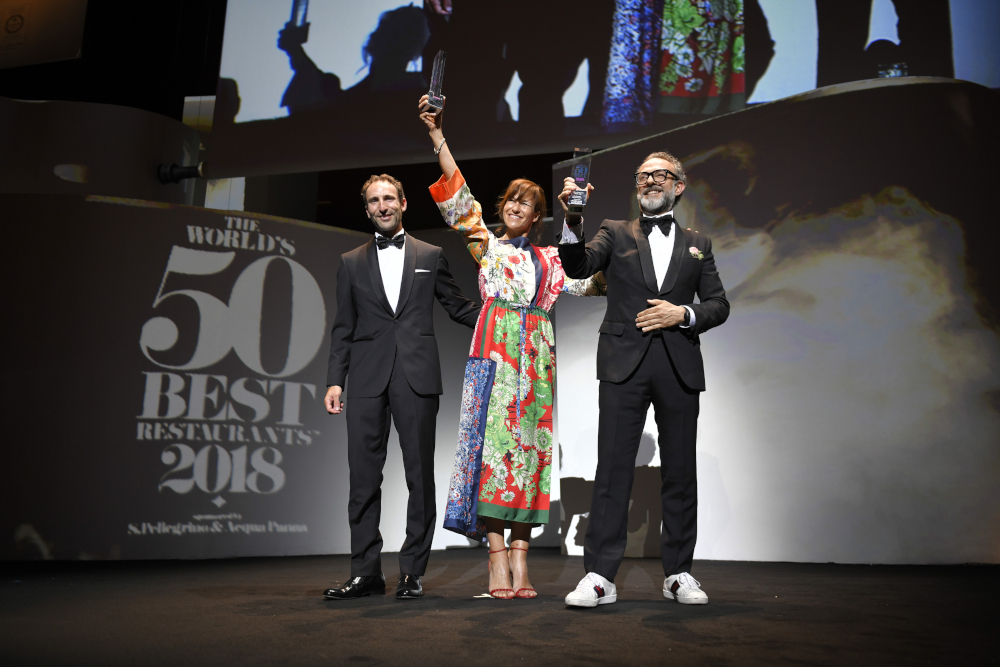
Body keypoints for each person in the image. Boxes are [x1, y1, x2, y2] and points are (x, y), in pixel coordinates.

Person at [418, 95, 605, 599]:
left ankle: (523, 568)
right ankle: (495, 562)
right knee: (492, 455)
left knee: (529, 458)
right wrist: (438, 136)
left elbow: (593, 279)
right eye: (510, 199)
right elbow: (458, 199)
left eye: (527, 201)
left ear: (539, 215)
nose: (516, 204)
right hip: (494, 361)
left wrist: (578, 215)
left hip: (537, 366)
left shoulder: (552, 259)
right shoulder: (489, 247)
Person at [558, 151, 730, 607]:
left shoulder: (699, 242)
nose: (651, 181)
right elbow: (577, 266)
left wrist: (684, 312)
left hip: (678, 365)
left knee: (680, 471)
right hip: (622, 364)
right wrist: (573, 217)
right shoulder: (614, 230)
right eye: (643, 175)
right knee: (612, 469)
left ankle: (679, 574)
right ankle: (599, 576)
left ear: (679, 185)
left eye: (660, 174)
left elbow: (718, 304)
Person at [322, 172, 480, 601]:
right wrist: (336, 380)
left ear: (404, 203)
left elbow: (457, 305)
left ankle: (412, 572)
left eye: (389, 198)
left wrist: (505, 318)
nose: (383, 206)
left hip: (416, 376)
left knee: (418, 478)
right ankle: (365, 572)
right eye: (374, 200)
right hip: (367, 379)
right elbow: (343, 328)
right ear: (367, 208)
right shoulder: (350, 261)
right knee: (363, 480)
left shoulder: (431, 253)